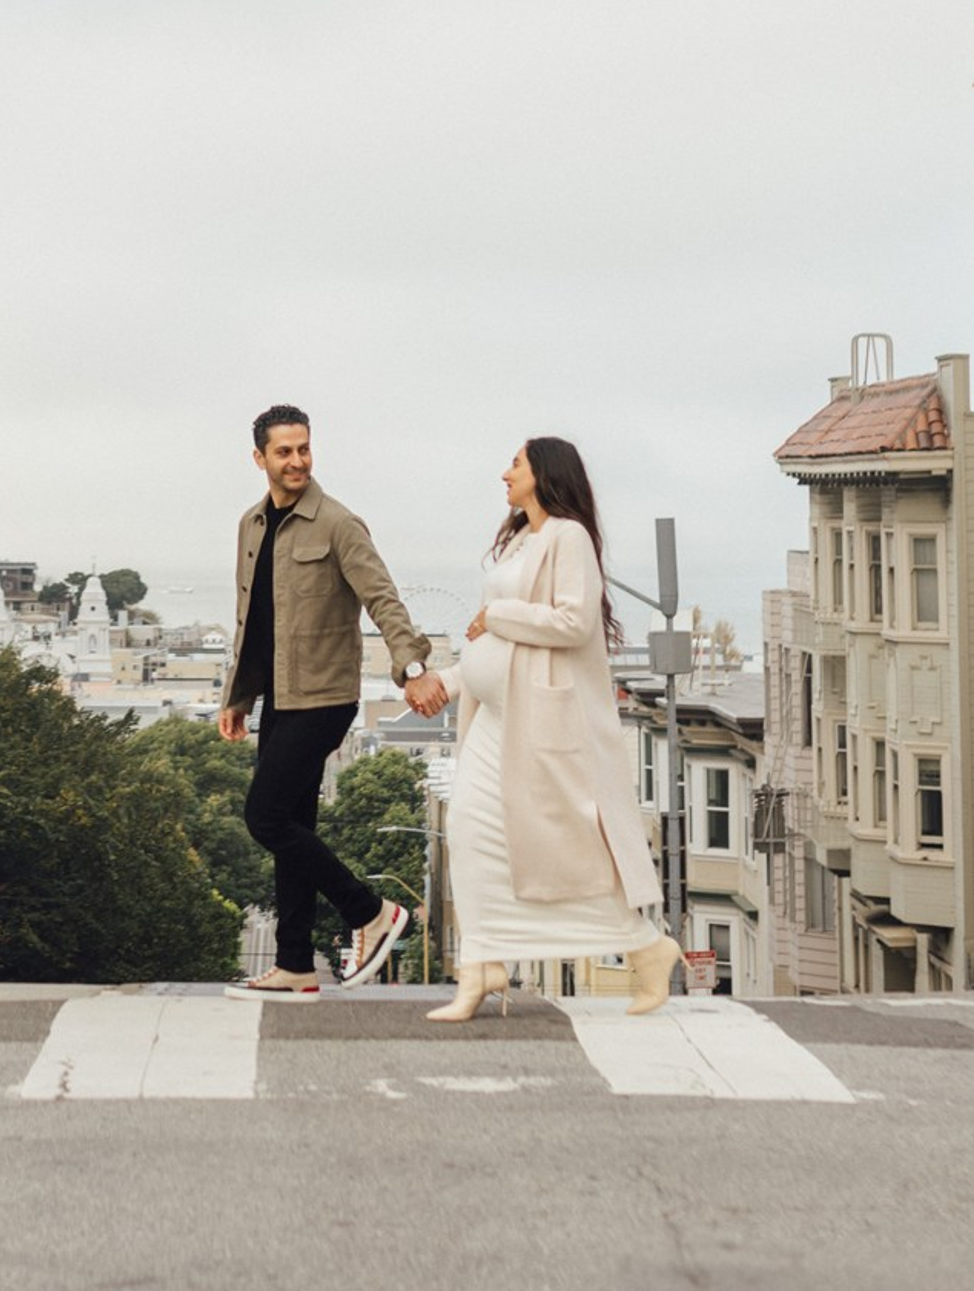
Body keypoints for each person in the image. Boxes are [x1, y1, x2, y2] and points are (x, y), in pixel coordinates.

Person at [417, 435, 683, 1023]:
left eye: (514, 463)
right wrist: (451, 680)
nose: (504, 474)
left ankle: (645, 948)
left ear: (543, 472)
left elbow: (572, 620)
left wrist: (497, 616)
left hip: (539, 725)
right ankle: (482, 965)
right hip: (493, 718)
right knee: (467, 829)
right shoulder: (521, 540)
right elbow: (496, 645)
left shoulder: (570, 537)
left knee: (567, 851)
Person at [219, 404, 443, 999]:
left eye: (304, 449)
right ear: (260, 458)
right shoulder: (252, 525)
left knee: (264, 818)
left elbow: (384, 600)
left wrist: (412, 668)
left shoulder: (339, 524)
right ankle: (295, 964)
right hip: (279, 698)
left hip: (325, 697)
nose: (297, 461)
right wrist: (238, 696)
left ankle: (370, 911)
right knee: (293, 825)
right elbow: (254, 622)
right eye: (284, 451)